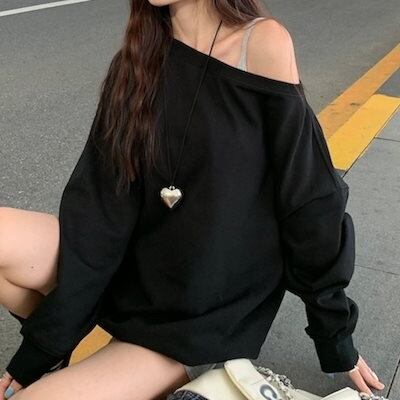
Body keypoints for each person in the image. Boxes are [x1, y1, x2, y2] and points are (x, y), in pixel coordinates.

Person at [0, 0, 386, 399]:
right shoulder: (136, 61)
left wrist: (335, 335)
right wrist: (41, 348)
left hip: (196, 319)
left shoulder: (261, 45)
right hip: (131, 277)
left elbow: (307, 202)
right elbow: (101, 215)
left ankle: (182, 371)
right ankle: (75, 365)